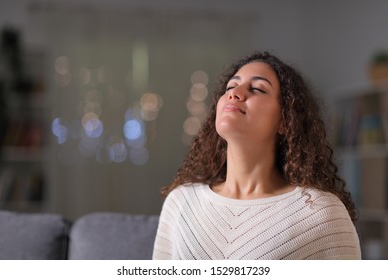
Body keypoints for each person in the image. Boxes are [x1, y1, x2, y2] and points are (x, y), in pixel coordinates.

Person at [152, 51, 361, 260]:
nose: (235, 93)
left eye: (258, 89)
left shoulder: (321, 212)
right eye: (231, 87)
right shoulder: (181, 202)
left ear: (285, 121)